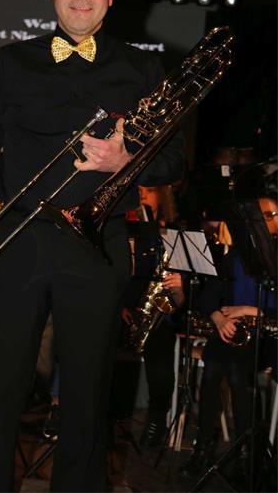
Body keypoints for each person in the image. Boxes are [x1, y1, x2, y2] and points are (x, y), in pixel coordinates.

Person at [0, 0, 184, 492]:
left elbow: (175, 158)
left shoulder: (141, 69)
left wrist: (128, 158)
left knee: (87, 395)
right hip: (18, 238)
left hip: (98, 247)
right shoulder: (9, 63)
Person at [179, 196, 277, 486]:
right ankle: (203, 447)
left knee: (236, 373)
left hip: (266, 334)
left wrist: (247, 310)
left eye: (270, 215)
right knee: (212, 370)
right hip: (229, 330)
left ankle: (244, 455)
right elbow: (210, 295)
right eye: (261, 215)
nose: (264, 221)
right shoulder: (234, 255)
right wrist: (218, 318)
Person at [122, 184, 184, 448]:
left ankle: (156, 418)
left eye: (149, 189)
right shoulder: (127, 229)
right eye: (138, 189)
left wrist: (180, 287)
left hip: (162, 312)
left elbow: (185, 295)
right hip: (129, 306)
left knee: (160, 349)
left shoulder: (176, 232)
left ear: (162, 194)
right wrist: (122, 306)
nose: (142, 194)